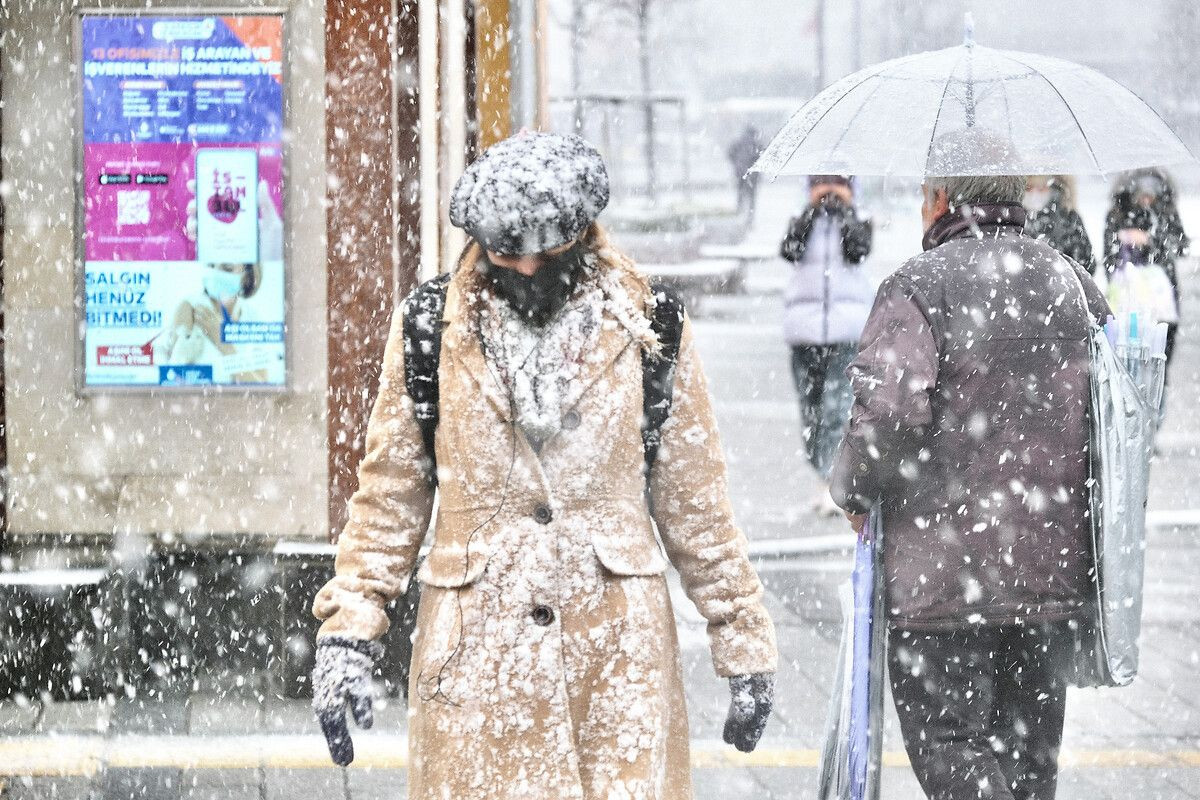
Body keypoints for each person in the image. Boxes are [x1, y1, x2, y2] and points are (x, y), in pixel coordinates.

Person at [309, 132, 777, 800]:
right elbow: (389, 496)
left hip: (615, 661)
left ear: (585, 236)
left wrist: (742, 639)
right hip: (476, 666)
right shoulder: (427, 328)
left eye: (547, 252)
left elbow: (696, 502)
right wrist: (348, 632)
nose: (527, 270)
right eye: (506, 253)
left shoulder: (654, 329)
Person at [829, 131, 1110, 800]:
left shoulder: (918, 287)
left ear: (938, 199)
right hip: (1053, 576)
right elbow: (1120, 419)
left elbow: (890, 417)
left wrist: (852, 488)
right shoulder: (1074, 284)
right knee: (1030, 762)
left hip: (944, 582)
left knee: (951, 748)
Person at [779, 175, 873, 516]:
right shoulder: (802, 222)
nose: (829, 191)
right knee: (811, 410)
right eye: (822, 184)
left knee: (837, 408)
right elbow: (789, 251)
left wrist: (845, 211)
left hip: (845, 331)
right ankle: (820, 474)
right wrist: (811, 212)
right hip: (804, 332)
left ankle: (830, 482)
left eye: (838, 184)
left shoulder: (859, 221)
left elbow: (858, 250)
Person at [1102, 168, 1188, 365]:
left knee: (1159, 358)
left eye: (1151, 195)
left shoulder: (1166, 213)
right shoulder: (1117, 214)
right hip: (1126, 299)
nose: (1146, 200)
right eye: (1142, 194)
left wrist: (1150, 240)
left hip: (1162, 300)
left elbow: (1180, 247)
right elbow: (1109, 257)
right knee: (1126, 357)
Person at [1023, 175, 1095, 271]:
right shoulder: (1011, 215)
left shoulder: (1067, 216)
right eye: (1029, 188)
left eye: (1041, 188)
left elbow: (1086, 262)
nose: (1034, 193)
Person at [728, 124, 764, 220]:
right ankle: (749, 217)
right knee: (751, 197)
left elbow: (730, 153)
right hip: (753, 175)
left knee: (740, 194)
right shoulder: (756, 144)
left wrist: (736, 164)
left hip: (740, 173)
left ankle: (740, 213)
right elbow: (762, 158)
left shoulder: (738, 143)